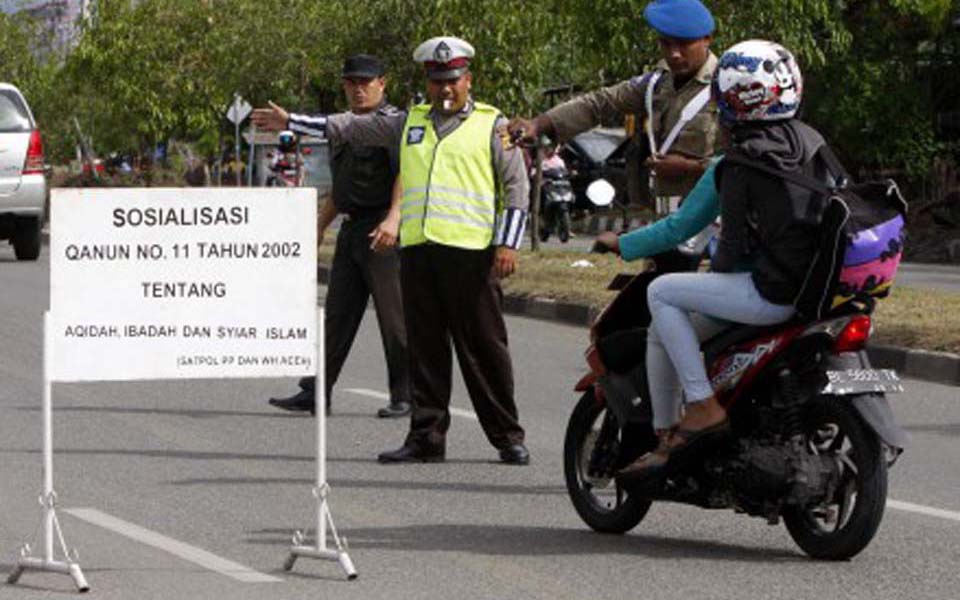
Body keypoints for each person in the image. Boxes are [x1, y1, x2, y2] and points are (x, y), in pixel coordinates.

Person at [253, 37, 531, 465]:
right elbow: (346, 126)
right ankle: (426, 438)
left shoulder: (494, 125)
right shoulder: (407, 122)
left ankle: (507, 436)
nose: (445, 89)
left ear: (467, 79)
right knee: (425, 351)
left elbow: (516, 188)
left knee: (484, 349)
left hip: (471, 256)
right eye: (437, 80)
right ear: (427, 80)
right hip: (419, 253)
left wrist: (508, 242)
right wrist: (292, 120)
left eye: (453, 80)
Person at [615, 39, 830, 481]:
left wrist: (619, 244)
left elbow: (704, 241)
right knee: (666, 328)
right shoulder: (812, 142)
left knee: (662, 292)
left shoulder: (736, 162)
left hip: (769, 293)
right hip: (819, 290)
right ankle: (677, 428)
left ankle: (700, 406)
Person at [265, 54, 412, 419]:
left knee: (394, 318)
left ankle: (406, 394)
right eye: (351, 83)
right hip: (352, 227)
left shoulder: (392, 124)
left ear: (383, 83)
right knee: (336, 315)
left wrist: (394, 218)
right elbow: (343, 183)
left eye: (366, 82)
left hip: (382, 229)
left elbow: (406, 175)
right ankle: (316, 390)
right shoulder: (343, 126)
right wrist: (319, 224)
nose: (359, 89)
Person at [508, 0, 721, 220]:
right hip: (666, 219)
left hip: (715, 220)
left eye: (684, 44)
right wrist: (537, 124)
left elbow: (748, 159)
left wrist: (692, 168)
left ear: (707, 39)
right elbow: (601, 103)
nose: (674, 54)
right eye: (666, 44)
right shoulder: (656, 83)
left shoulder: (727, 86)